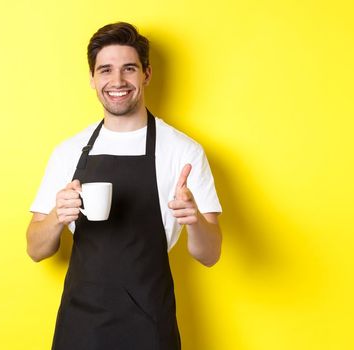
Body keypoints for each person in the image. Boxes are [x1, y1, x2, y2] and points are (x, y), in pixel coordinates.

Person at [25, 22, 222, 350]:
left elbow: (210, 254)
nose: (117, 82)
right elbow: (35, 249)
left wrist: (194, 220)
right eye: (105, 70)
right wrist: (57, 216)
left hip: (150, 326)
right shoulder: (69, 151)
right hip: (80, 326)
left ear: (146, 74)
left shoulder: (183, 151)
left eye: (128, 69)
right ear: (92, 78)